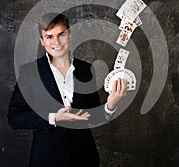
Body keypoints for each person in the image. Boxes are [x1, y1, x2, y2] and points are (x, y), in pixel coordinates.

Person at [7, 13, 127, 167]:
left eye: (61, 34)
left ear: (69, 36)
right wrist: (53, 118)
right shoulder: (30, 72)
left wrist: (111, 105)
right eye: (49, 37)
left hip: (84, 157)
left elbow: (92, 117)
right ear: (42, 41)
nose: (56, 42)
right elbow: (15, 118)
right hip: (47, 159)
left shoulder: (86, 70)